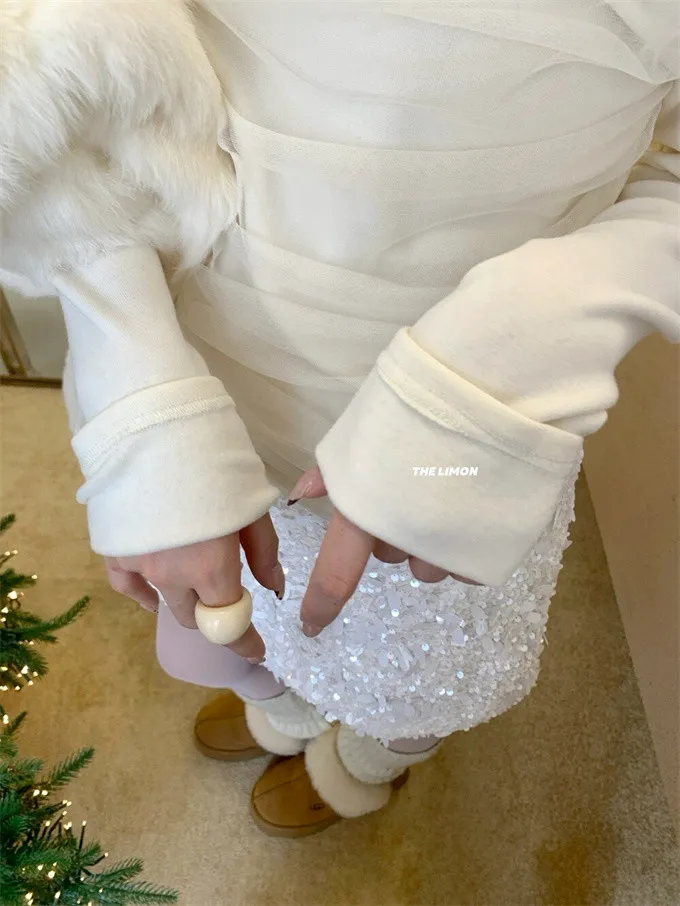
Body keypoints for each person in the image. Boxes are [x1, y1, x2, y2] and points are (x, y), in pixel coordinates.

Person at [1, 0, 678, 837]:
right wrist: (143, 405)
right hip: (214, 383)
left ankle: (377, 755)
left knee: (419, 663)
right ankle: (291, 705)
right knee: (255, 617)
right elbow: (52, 80)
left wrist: (491, 375)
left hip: (466, 438)